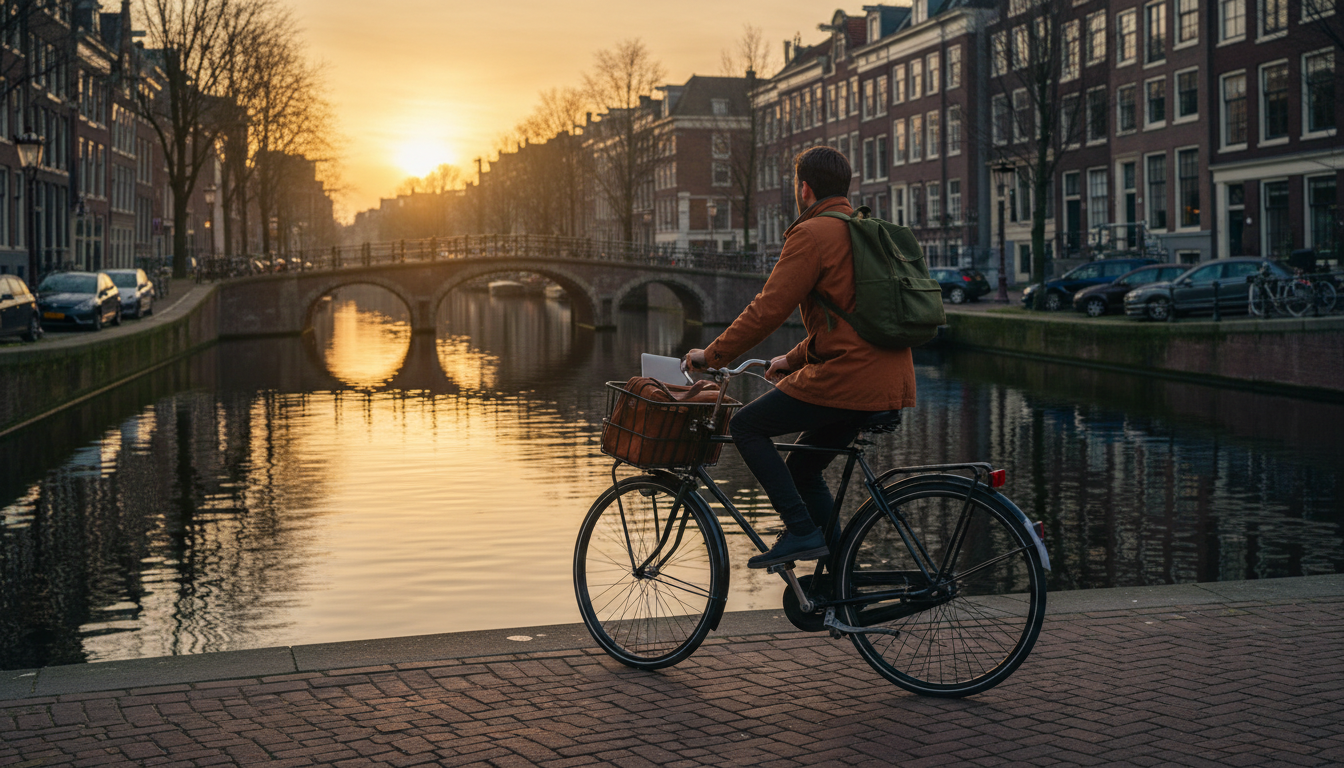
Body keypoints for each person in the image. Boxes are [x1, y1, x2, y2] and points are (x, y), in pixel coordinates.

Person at [684, 146, 916, 569]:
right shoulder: (865, 230)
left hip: (850, 378)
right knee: (803, 470)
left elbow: (768, 309)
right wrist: (793, 359)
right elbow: (850, 322)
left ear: (804, 189)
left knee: (746, 426)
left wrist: (712, 355)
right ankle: (841, 579)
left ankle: (803, 531)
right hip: (890, 377)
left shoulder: (811, 234)